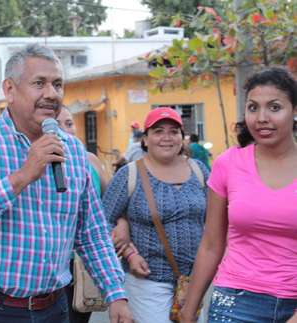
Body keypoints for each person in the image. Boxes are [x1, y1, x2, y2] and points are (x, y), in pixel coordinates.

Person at [0, 44, 133, 323]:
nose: (51, 94)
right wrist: (22, 176)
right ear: (9, 90)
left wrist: (116, 294)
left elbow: (92, 233)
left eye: (57, 84)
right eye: (39, 83)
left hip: (55, 307)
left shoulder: (73, 150)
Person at [180, 67, 297, 322]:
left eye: (275, 107)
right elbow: (211, 245)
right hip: (235, 302)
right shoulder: (228, 164)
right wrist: (189, 311)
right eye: (253, 107)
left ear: (294, 111)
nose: (262, 117)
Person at [104, 107, 209, 323]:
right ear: (145, 139)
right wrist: (129, 253)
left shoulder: (199, 170)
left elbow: (217, 221)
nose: (166, 138)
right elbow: (101, 221)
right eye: (158, 131)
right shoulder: (130, 174)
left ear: (182, 137)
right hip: (147, 281)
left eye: (173, 132)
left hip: (194, 281)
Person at [56, 106, 108, 323]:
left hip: (82, 263)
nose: (65, 130)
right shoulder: (36, 163)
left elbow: (112, 202)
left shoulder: (90, 160)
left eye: (69, 123)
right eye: (57, 124)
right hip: (53, 264)